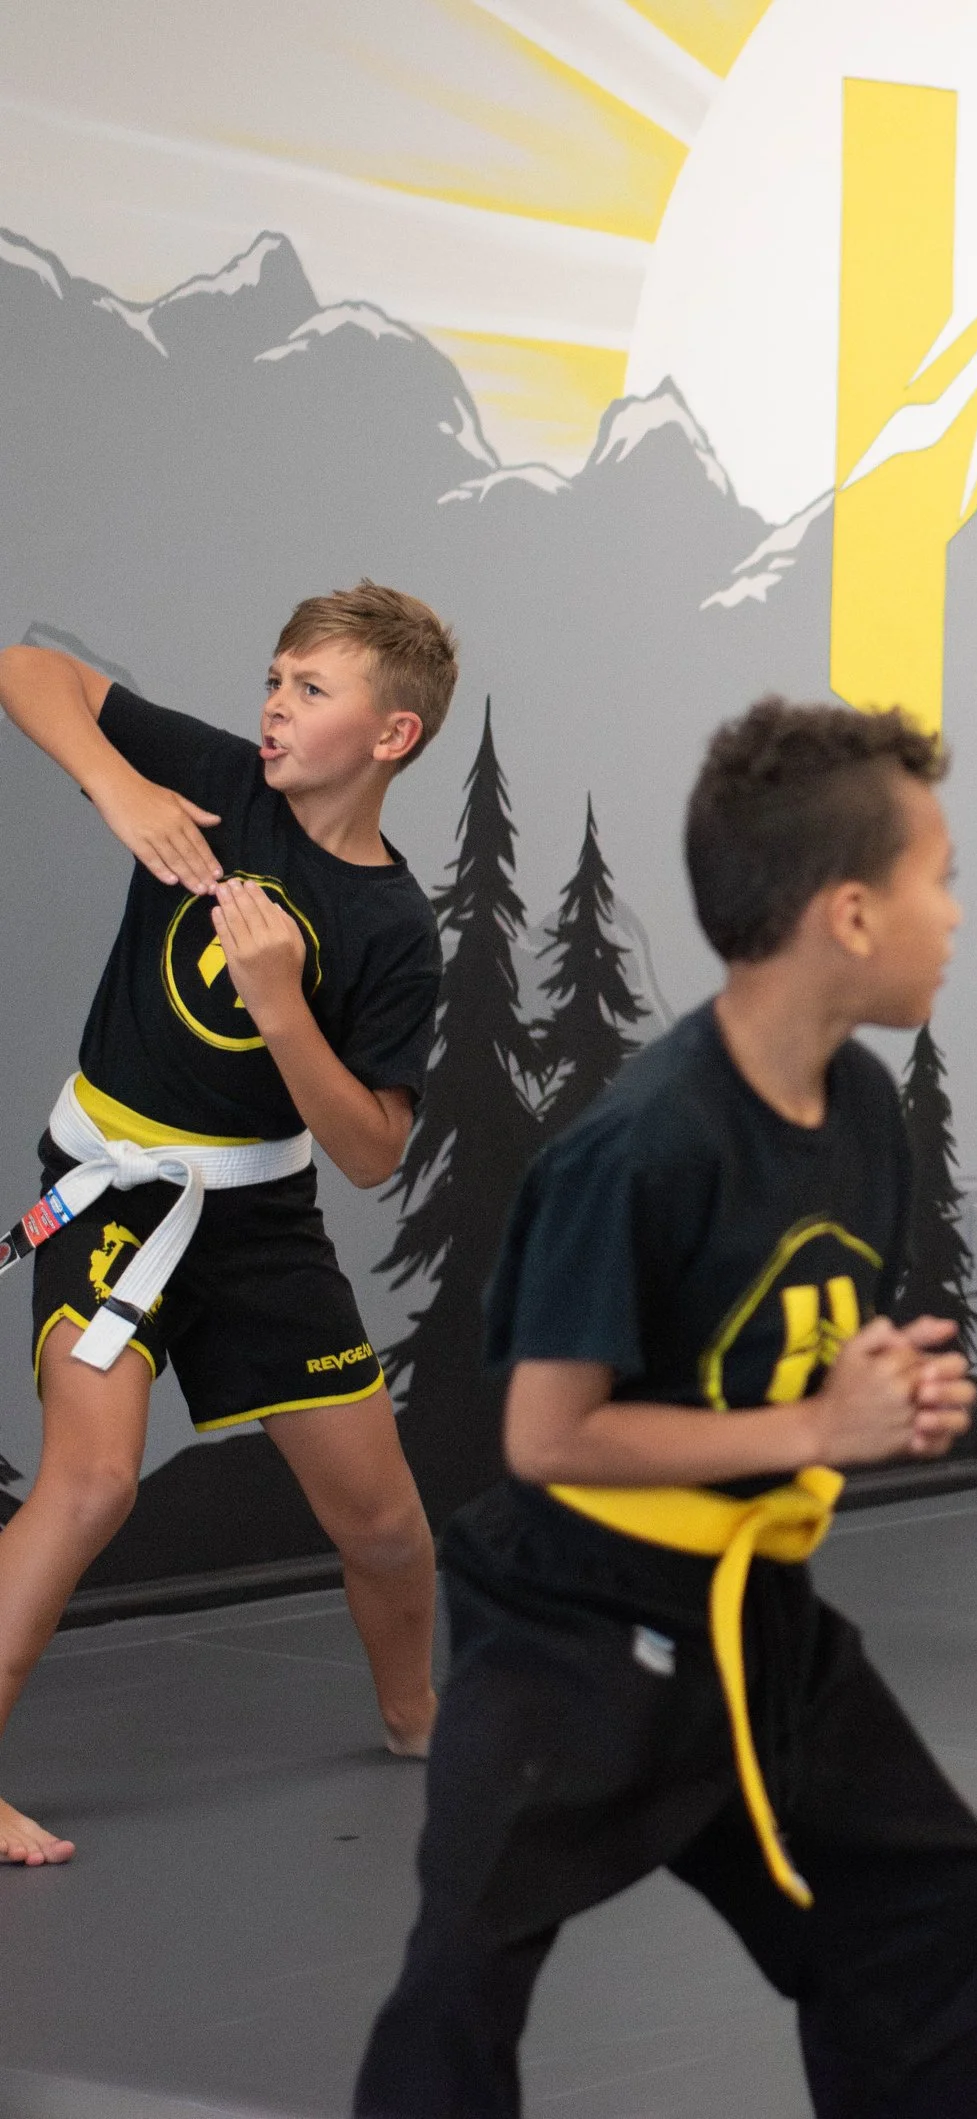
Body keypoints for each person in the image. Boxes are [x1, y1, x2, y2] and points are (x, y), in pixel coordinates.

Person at [356, 702, 977, 2116]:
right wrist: (817, 1432)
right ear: (847, 912)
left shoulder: (865, 1112)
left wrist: (885, 1397)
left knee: (930, 1901)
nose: (956, 913)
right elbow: (547, 1437)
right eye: (937, 877)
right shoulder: (643, 1144)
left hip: (752, 1613)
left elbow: (801, 1357)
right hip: (570, 1626)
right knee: (461, 1977)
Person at [0, 585, 457, 1865]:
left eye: (313, 690)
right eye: (274, 678)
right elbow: (29, 667)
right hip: (113, 1195)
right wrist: (114, 783)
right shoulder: (213, 784)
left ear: (392, 736)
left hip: (259, 1227)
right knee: (89, 1481)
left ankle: (419, 1714)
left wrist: (277, 1001)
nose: (275, 705)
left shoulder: (390, 927)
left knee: (384, 1527)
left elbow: (371, 1152)